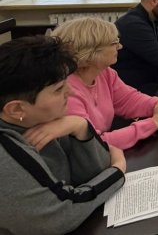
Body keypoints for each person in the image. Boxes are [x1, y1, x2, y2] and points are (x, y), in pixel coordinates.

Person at [0, 36, 126, 235]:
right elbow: (57, 216)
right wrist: (118, 170)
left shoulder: (43, 118)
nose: (72, 92)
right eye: (59, 89)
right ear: (16, 109)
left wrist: (80, 127)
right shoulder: (5, 154)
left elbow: (93, 173)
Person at [53, 17, 158, 150]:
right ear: (90, 53)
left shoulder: (105, 72)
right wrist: (154, 122)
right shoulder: (65, 91)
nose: (120, 46)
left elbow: (128, 100)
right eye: (114, 42)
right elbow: (97, 144)